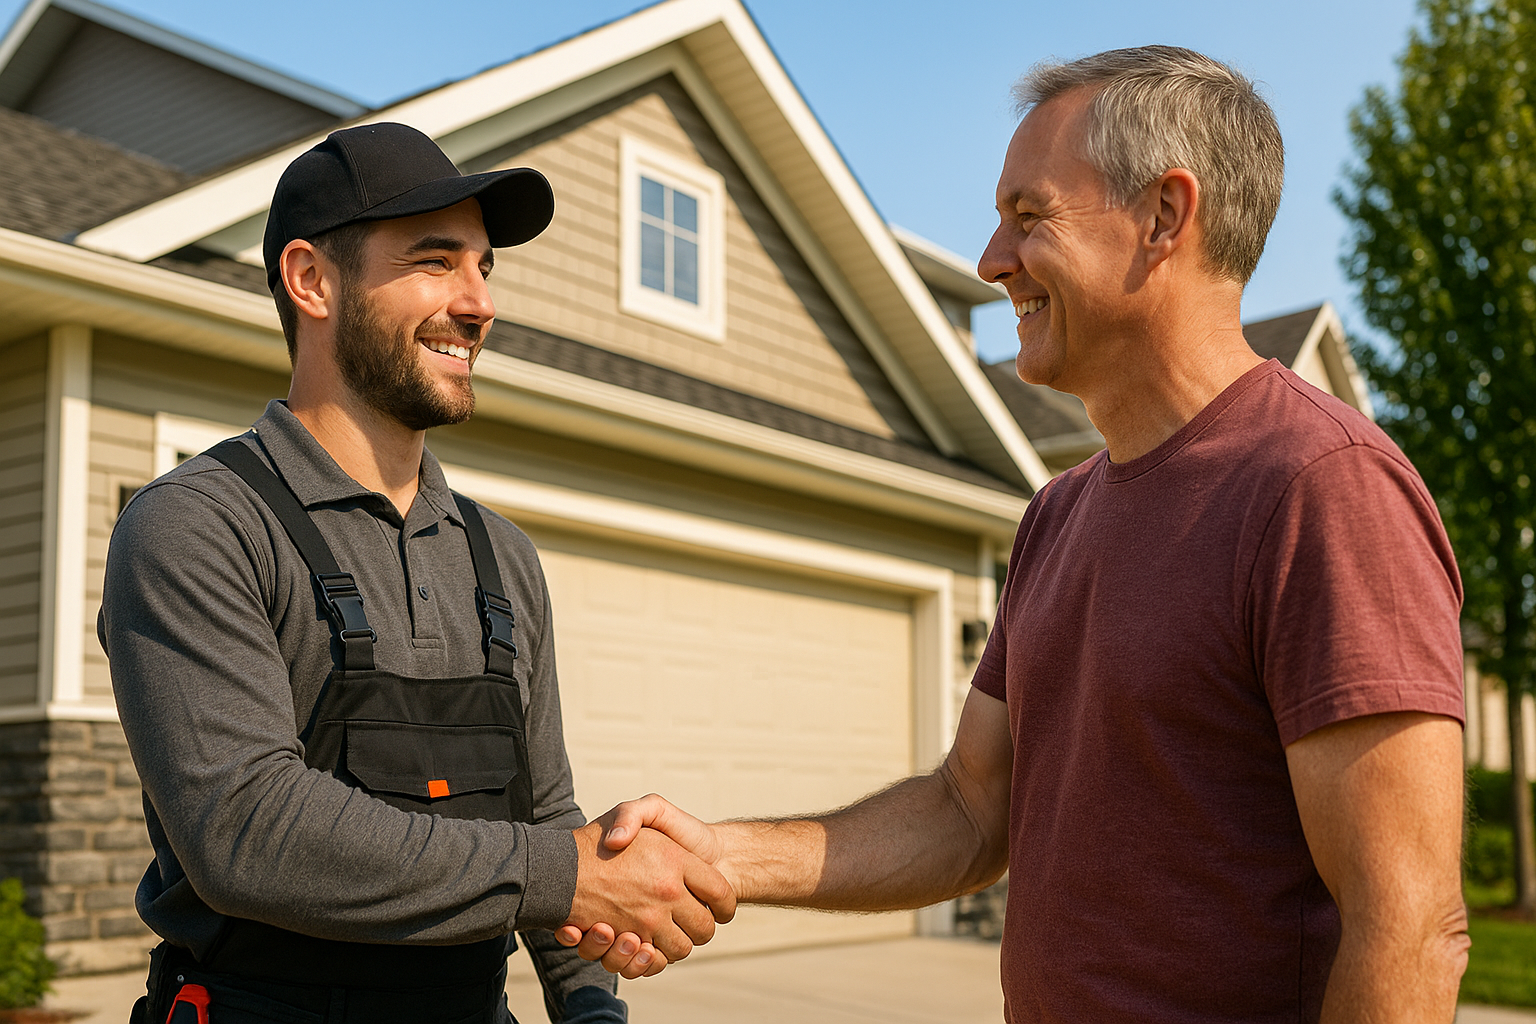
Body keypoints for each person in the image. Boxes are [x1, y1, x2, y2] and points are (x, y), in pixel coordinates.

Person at [559, 46, 1470, 1022]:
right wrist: (716, 851)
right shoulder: (1057, 514)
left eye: (1028, 216)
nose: (993, 261)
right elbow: (968, 808)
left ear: (1164, 216)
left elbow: (1410, 927)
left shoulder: (1321, 491)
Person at [99, 122, 733, 1024]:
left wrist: (591, 1008)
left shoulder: (501, 556)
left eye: (484, 269)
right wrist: (568, 877)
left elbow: (546, 814)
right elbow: (245, 827)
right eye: (437, 263)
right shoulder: (199, 525)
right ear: (311, 281)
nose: (478, 304)